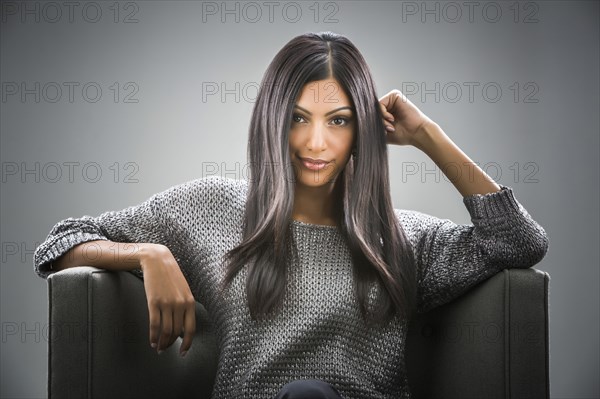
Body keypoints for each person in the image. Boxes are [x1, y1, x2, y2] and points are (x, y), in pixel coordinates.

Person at [33, 31, 549, 399]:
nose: (315, 142)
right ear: (272, 121)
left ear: (361, 133)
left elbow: (520, 242)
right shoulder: (212, 210)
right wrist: (148, 253)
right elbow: (57, 244)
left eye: (339, 121)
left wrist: (426, 135)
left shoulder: (405, 240)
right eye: (298, 118)